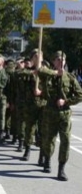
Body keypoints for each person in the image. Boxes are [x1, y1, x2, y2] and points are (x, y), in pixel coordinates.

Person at [37, 50, 82, 181]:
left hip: (64, 114)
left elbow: (80, 94)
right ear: (54, 62)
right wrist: (55, 73)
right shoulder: (47, 75)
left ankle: (61, 169)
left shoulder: (70, 78)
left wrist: (66, 101)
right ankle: (47, 161)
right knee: (48, 139)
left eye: (62, 60)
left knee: (66, 141)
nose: (60, 62)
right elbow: (40, 69)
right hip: (49, 112)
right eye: (58, 59)